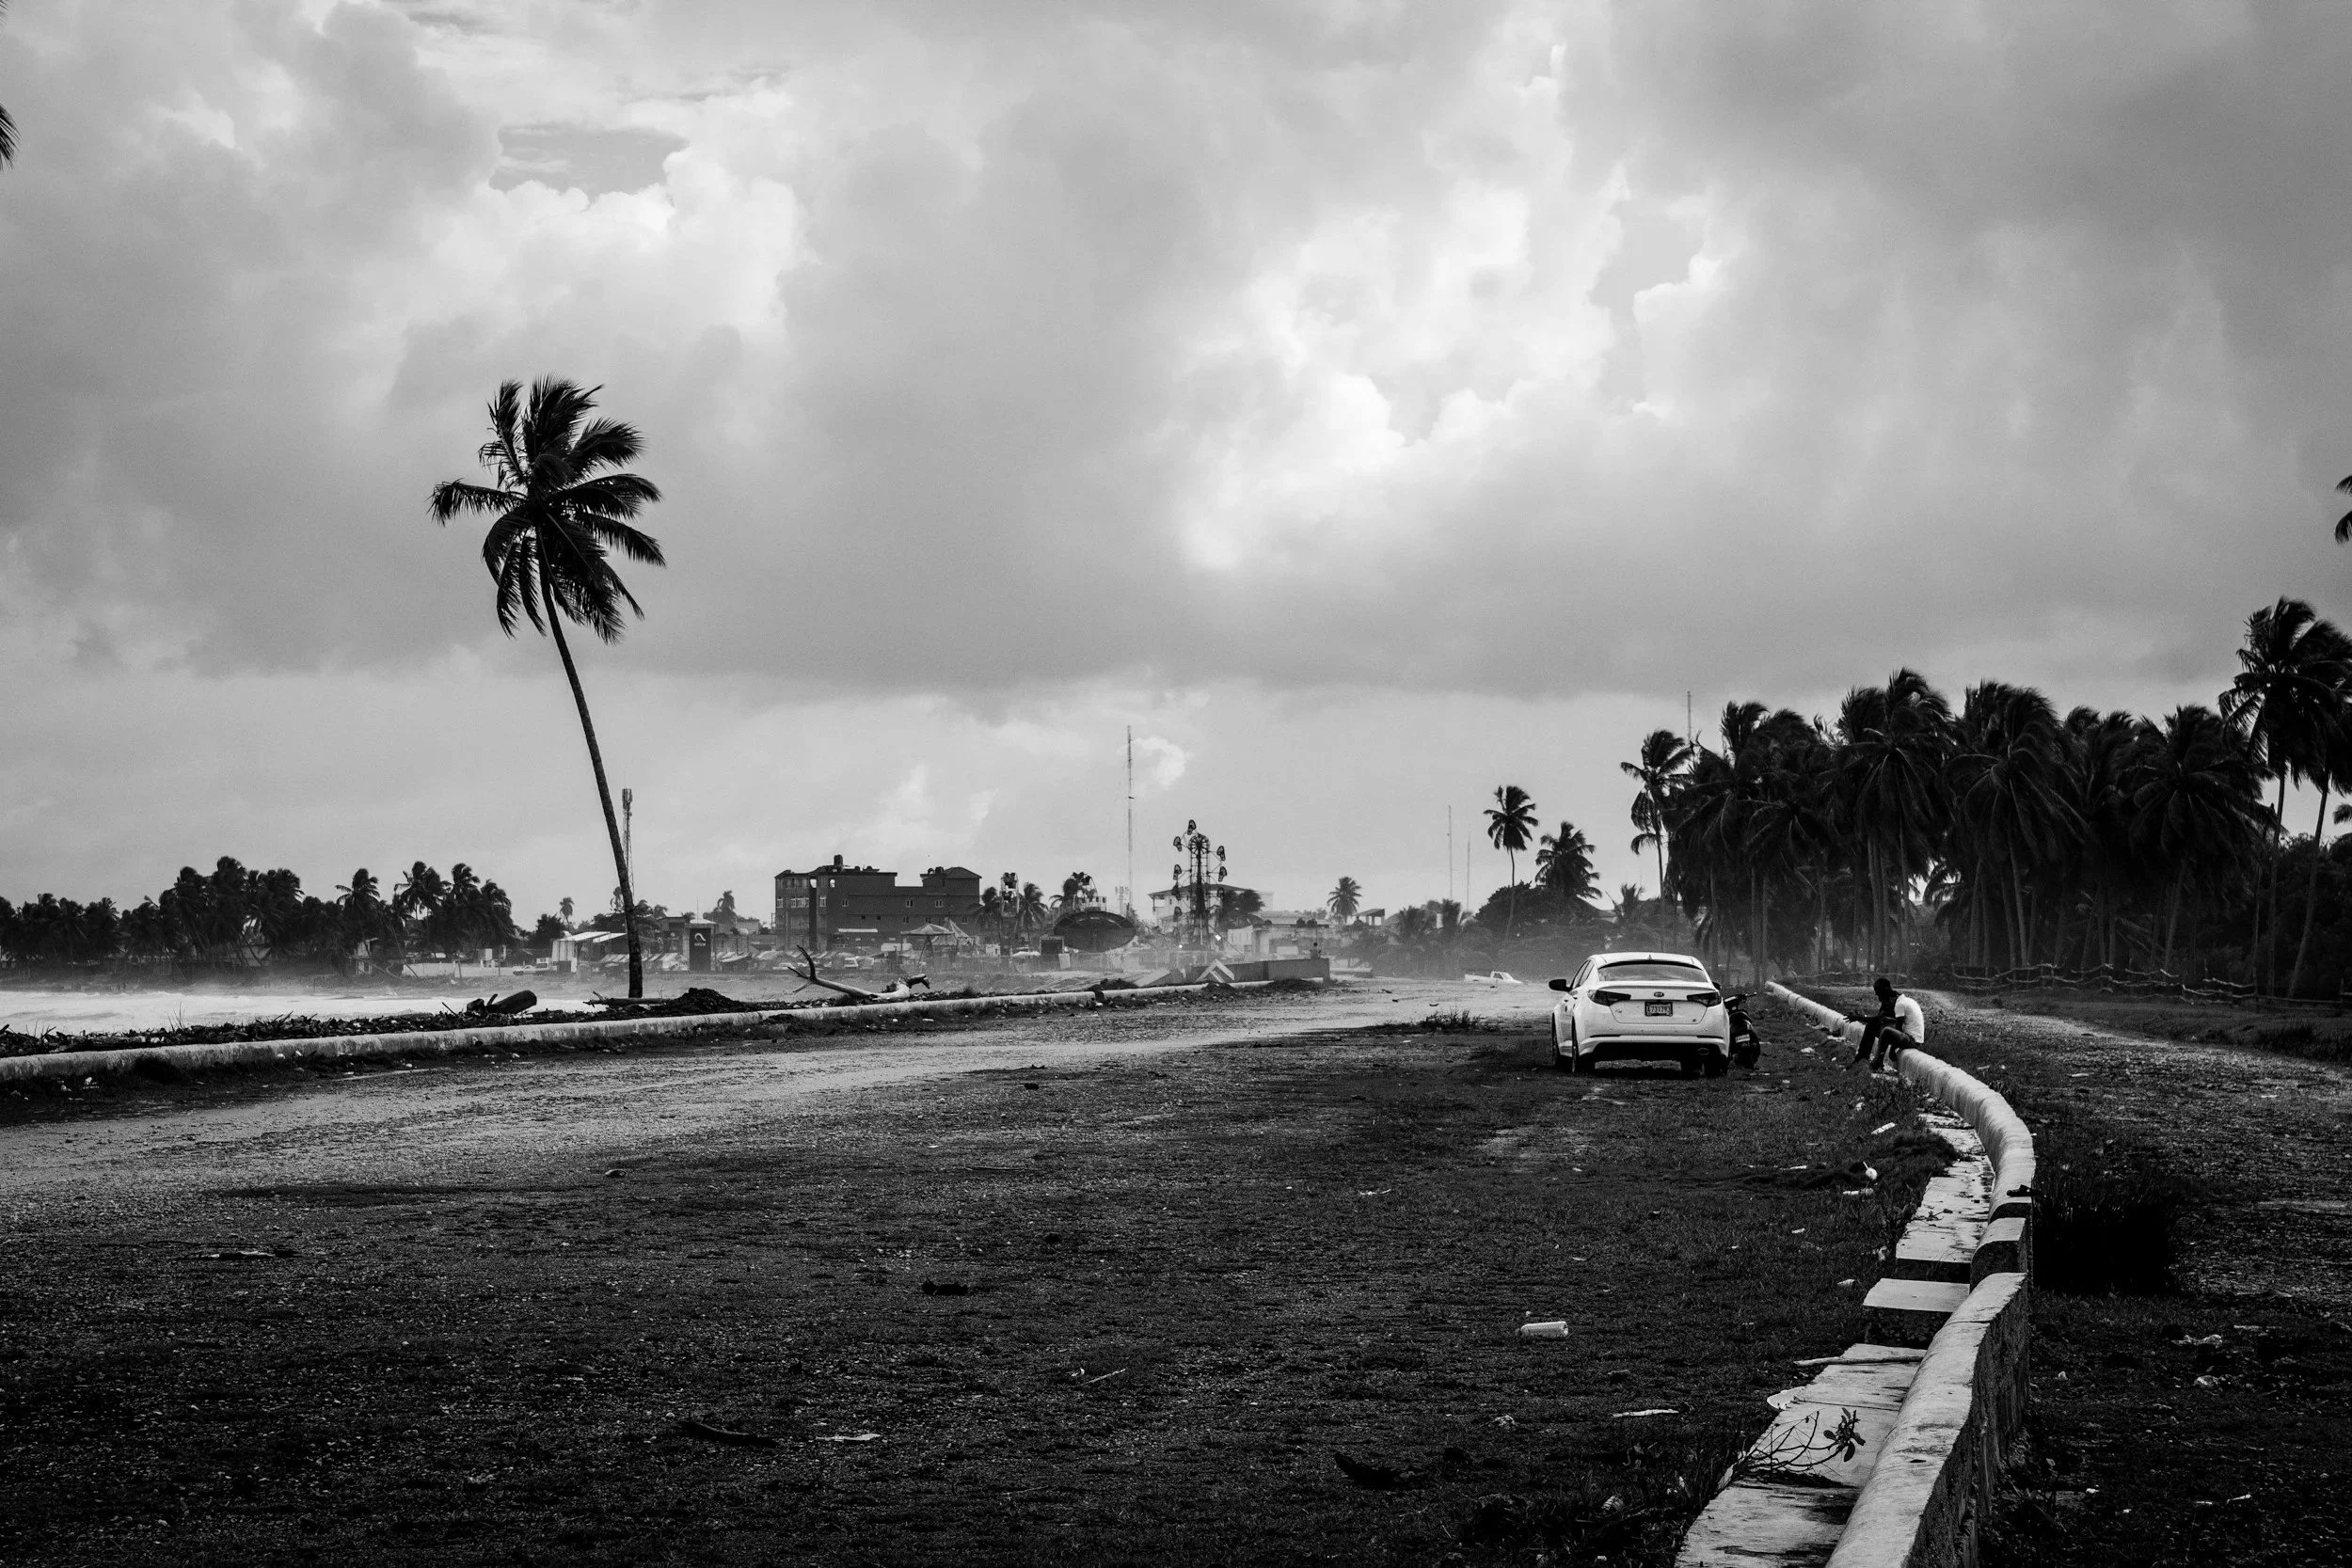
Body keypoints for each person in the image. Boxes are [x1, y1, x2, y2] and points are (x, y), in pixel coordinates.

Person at [1846, 976, 1925, 1070]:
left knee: (1885, 1029)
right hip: (1908, 1036)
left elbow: (1881, 1020)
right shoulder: (1891, 999)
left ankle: (1876, 1062)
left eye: (1878, 993)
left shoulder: (1896, 1003)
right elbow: (1879, 1019)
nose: (1877, 996)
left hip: (1910, 1038)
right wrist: (1861, 1017)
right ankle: (1862, 1057)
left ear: (1885, 990)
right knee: (1873, 1026)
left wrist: (1859, 1018)